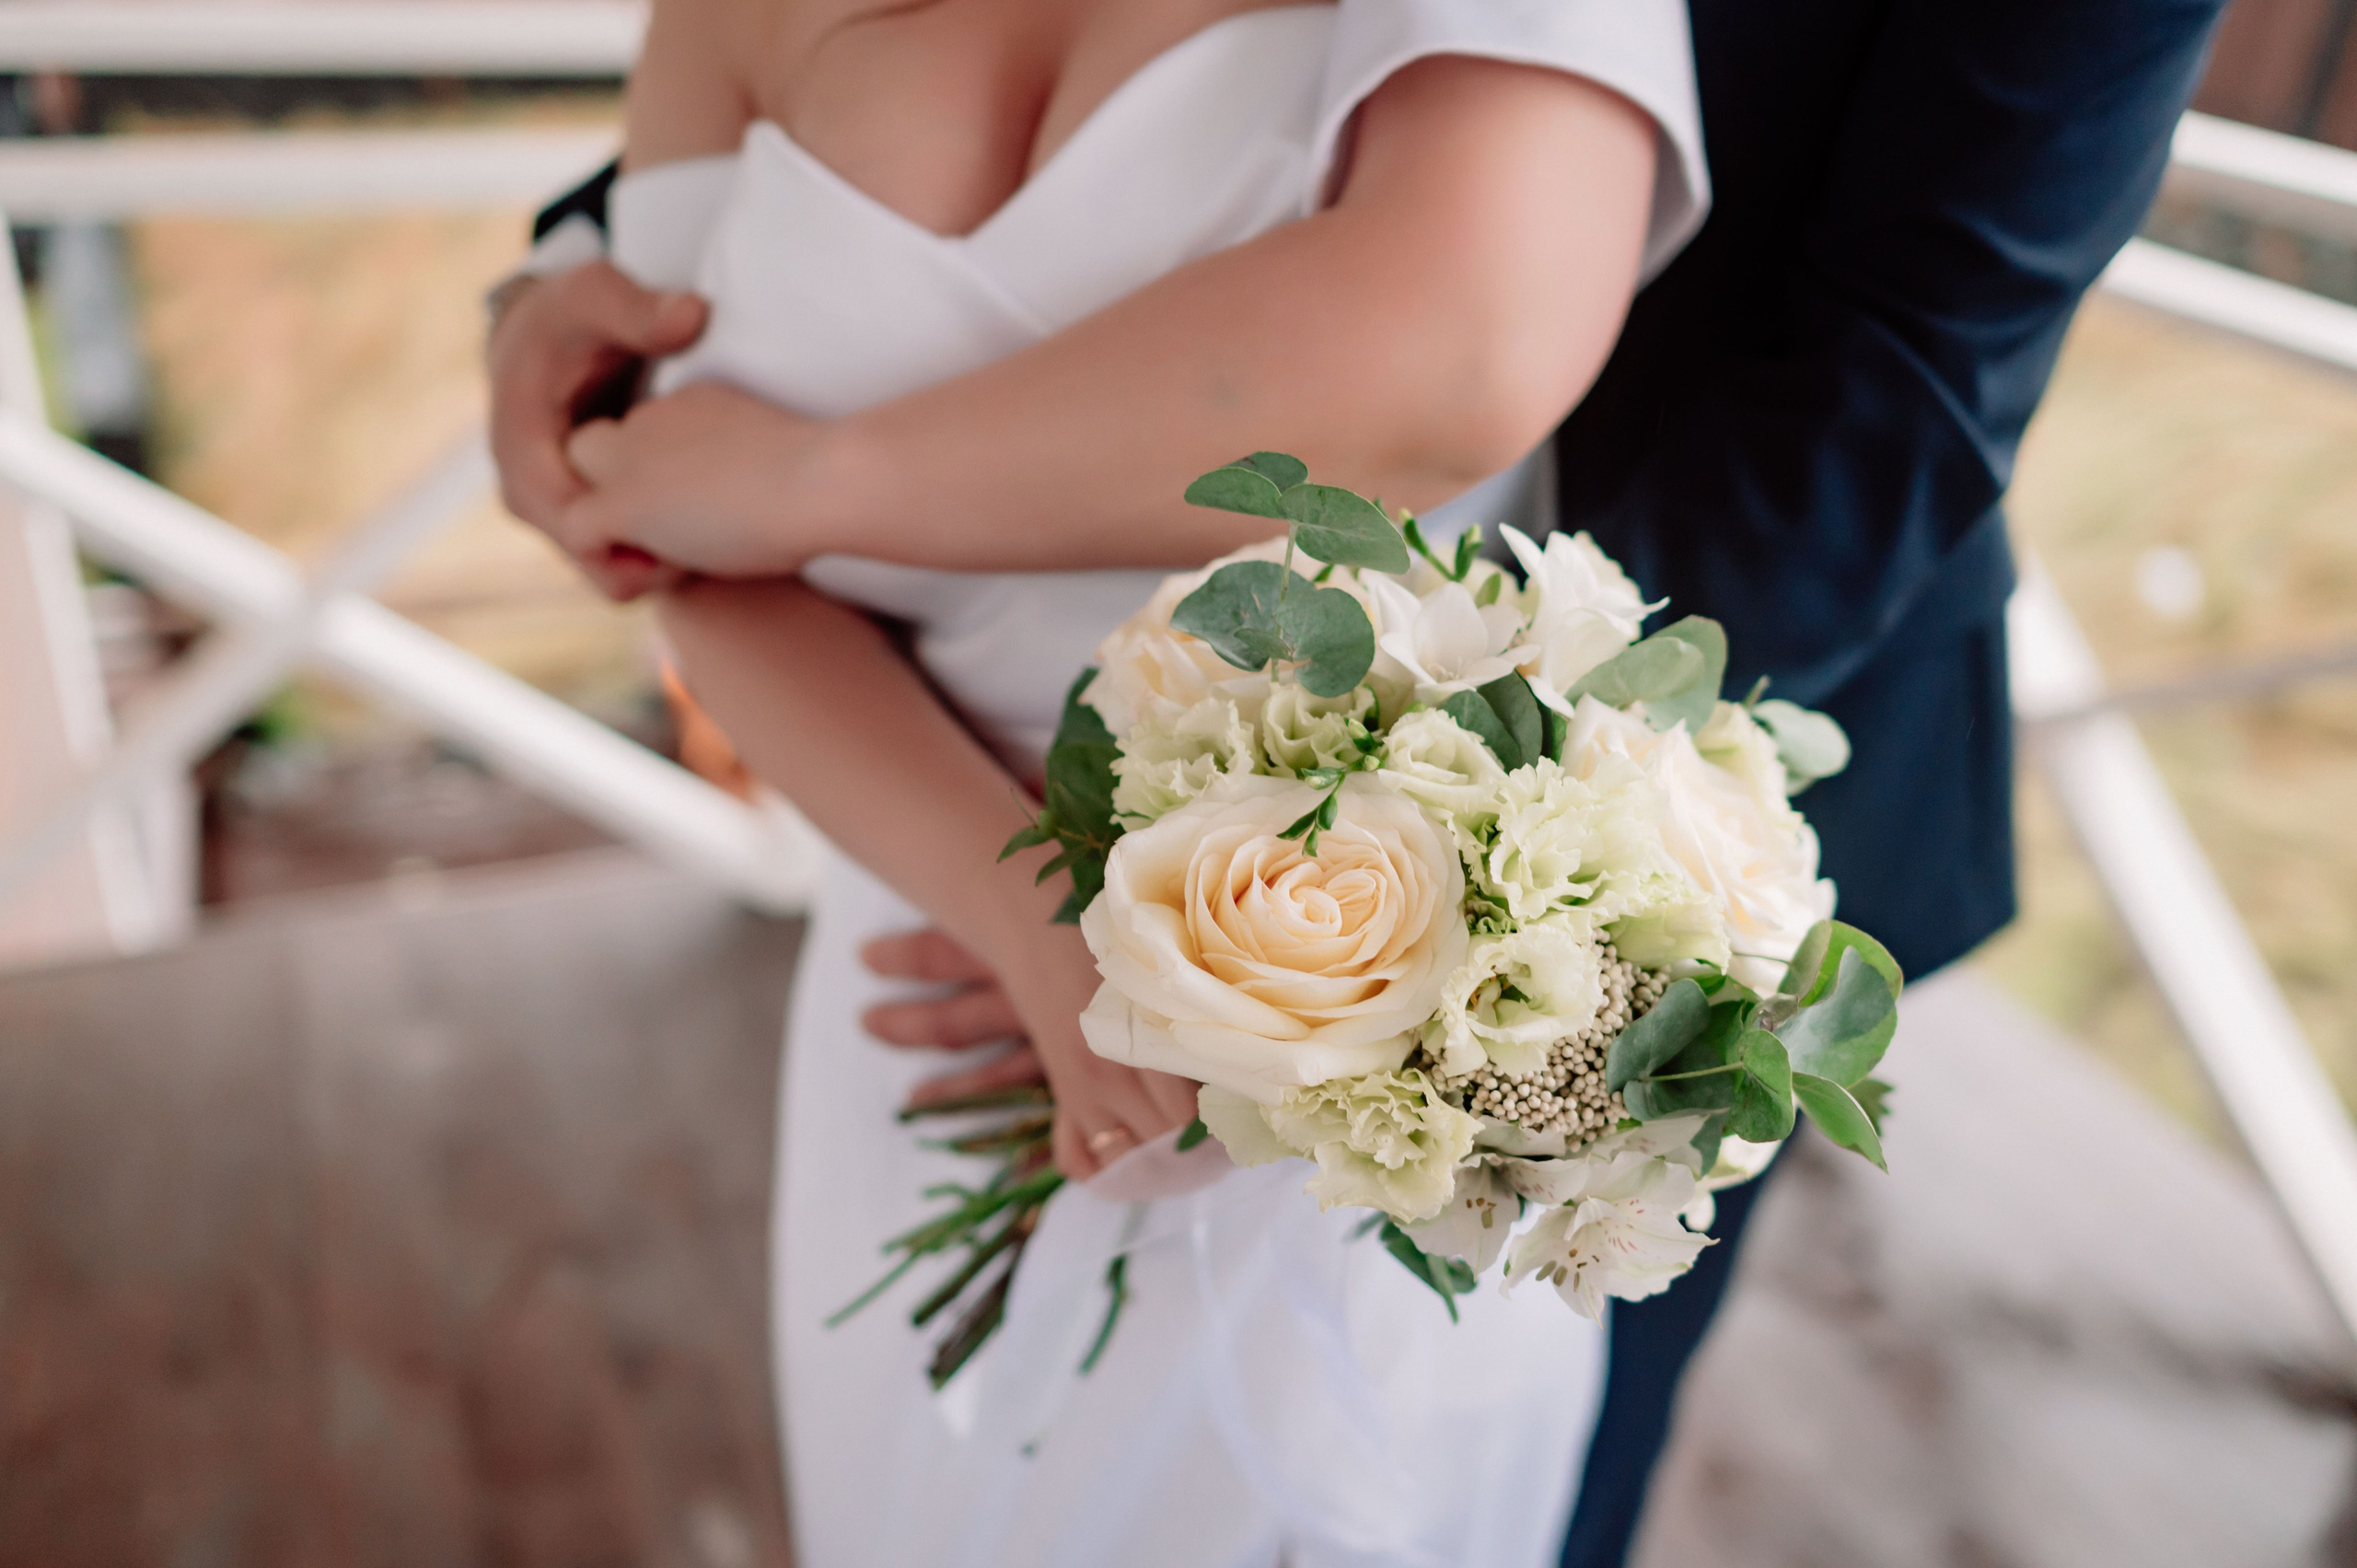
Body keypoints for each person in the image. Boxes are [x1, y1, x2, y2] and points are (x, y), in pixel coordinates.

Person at [488, 2, 1710, 1563]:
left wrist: (812, 479)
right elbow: (682, 538)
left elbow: (1467, 348)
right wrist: (1036, 922)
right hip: (928, 981)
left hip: (1363, 995)